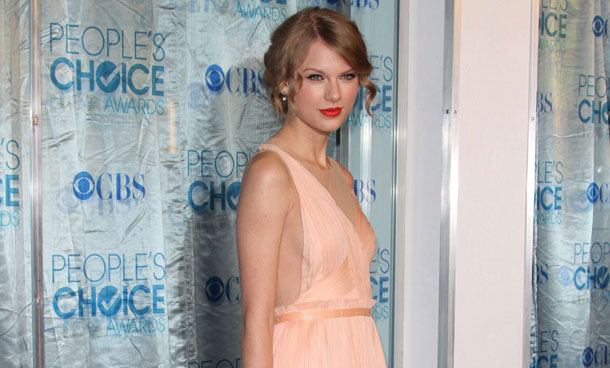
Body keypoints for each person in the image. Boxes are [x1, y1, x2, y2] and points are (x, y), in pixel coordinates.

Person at [236, 7, 386, 367]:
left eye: (347, 75)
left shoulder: (342, 177)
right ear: (285, 82)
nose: (335, 93)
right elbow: (256, 320)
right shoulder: (271, 173)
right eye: (317, 77)